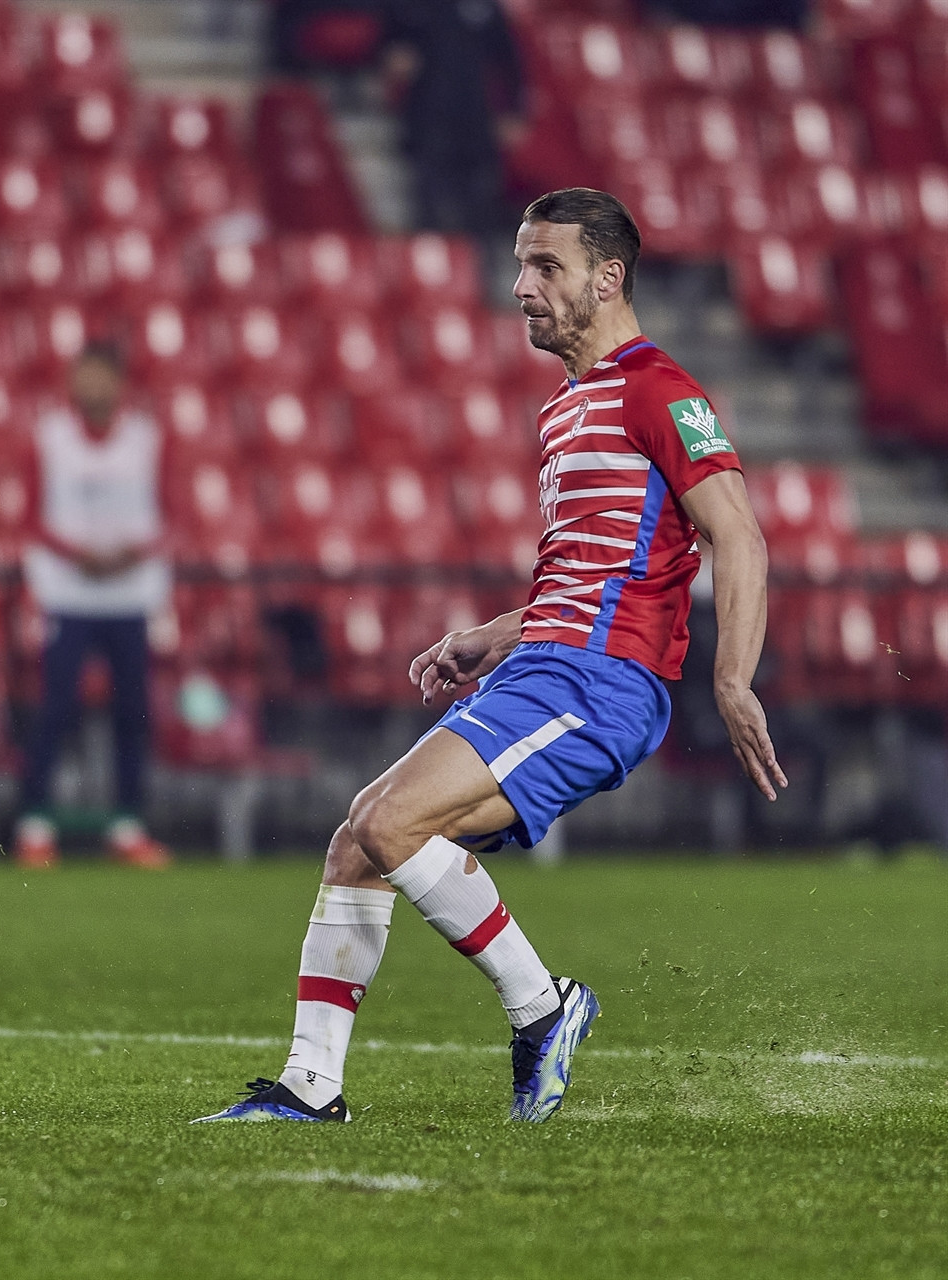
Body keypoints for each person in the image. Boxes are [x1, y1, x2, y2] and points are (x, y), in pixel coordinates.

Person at [196, 189, 784, 1125]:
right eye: (519, 265)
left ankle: (543, 1008)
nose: (521, 287)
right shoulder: (567, 410)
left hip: (599, 684)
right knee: (357, 845)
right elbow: (600, 566)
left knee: (386, 824)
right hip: (546, 663)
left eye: (545, 266)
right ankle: (312, 1088)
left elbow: (739, 537)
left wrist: (732, 678)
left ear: (609, 277)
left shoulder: (660, 392)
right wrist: (496, 631)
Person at [13, 340, 174, 870]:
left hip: (129, 595)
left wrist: (133, 554)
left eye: (102, 377)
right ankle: (35, 822)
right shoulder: (50, 438)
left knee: (133, 710)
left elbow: (171, 513)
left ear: (119, 382)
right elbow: (31, 516)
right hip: (69, 593)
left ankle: (128, 824)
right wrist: (76, 555)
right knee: (57, 707)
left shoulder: (146, 440)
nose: (93, 387)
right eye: (84, 376)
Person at [381, 0, 527, 237]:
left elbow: (509, 59)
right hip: (426, 116)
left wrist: (514, 111)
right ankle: (435, 264)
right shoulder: (409, 6)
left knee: (480, 202)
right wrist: (394, 57)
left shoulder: (483, 6)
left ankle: (481, 265)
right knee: (430, 199)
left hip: (475, 118)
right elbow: (389, 46)